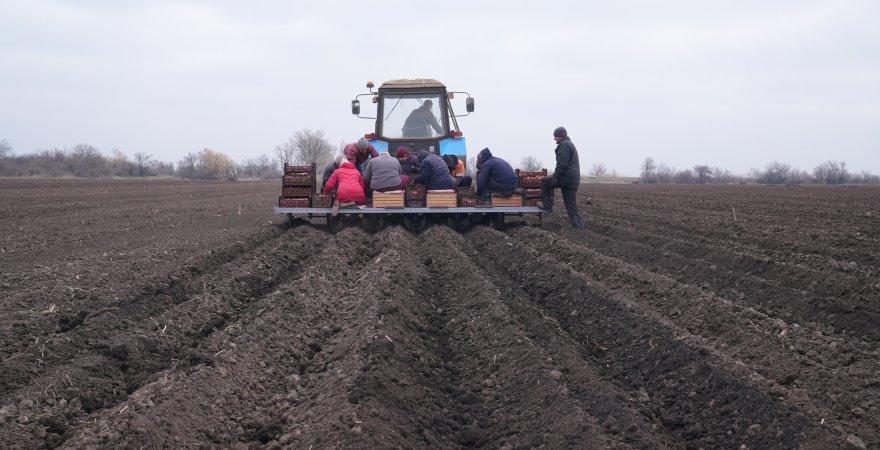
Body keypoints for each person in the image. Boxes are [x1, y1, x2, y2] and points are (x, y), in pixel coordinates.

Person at [538, 126, 583, 229]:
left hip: (566, 178)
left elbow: (562, 164)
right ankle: (578, 226)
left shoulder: (564, 145)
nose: (554, 138)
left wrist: (555, 177)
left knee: (545, 181)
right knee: (570, 204)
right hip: (573, 179)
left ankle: (547, 205)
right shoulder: (569, 144)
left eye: (555, 136)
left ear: (560, 136)